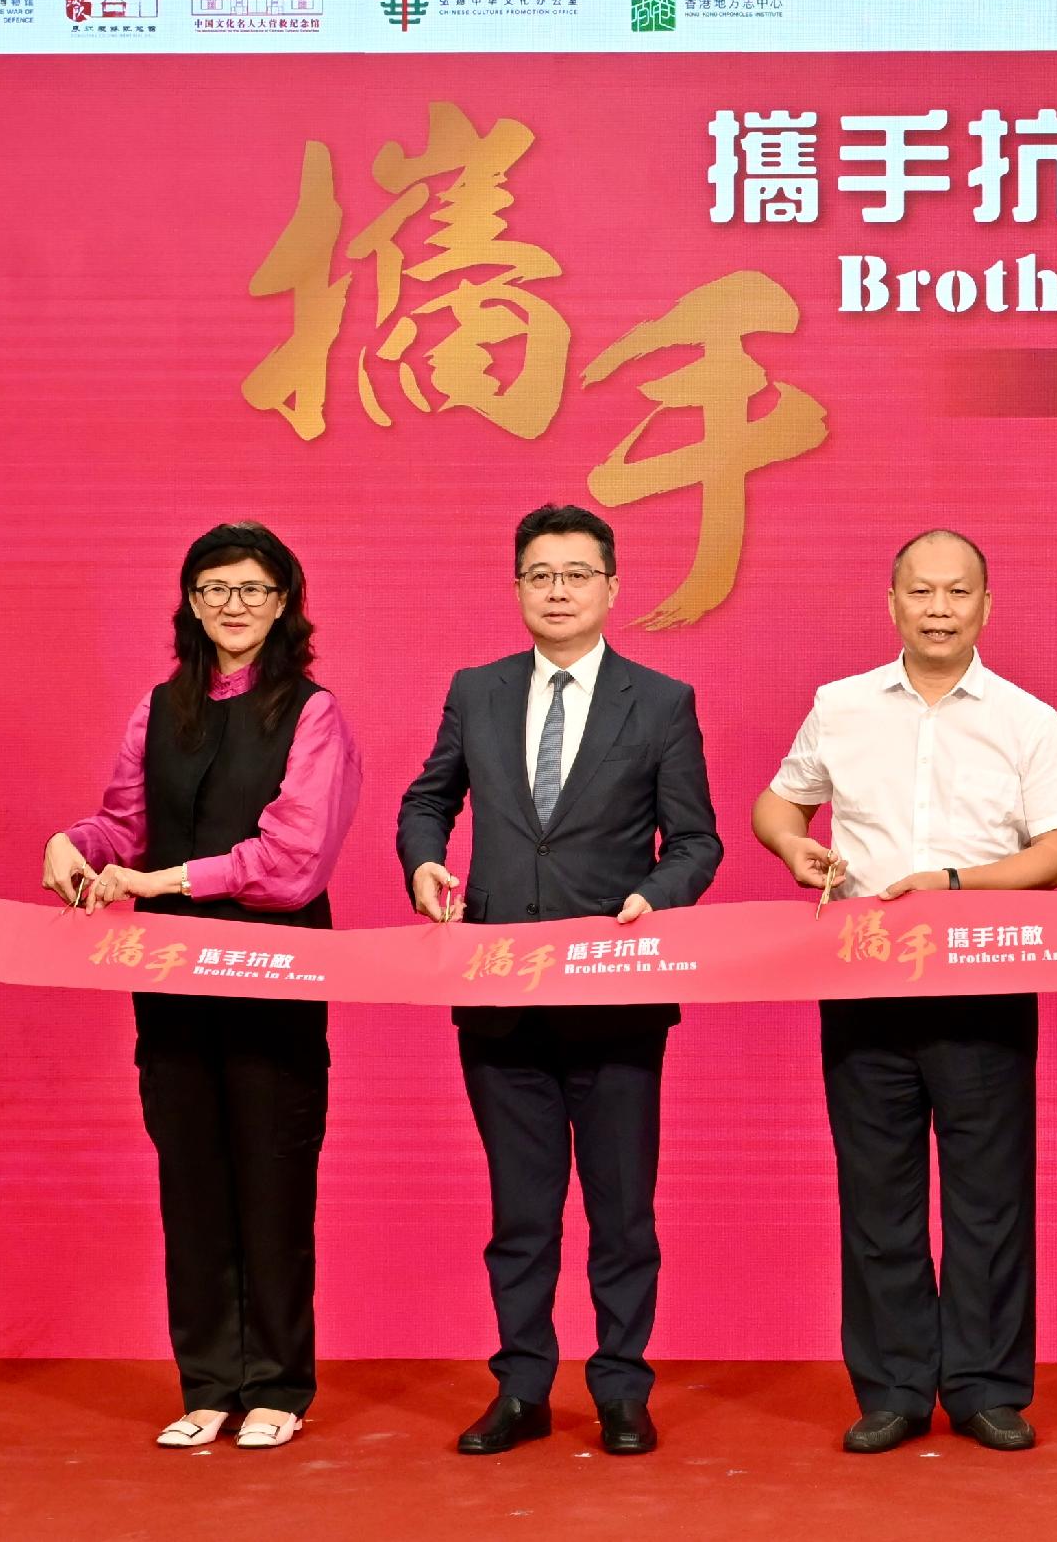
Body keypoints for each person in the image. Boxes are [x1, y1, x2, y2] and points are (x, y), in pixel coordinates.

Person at [753, 529, 1057, 1456]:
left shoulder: (1027, 717)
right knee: (878, 1195)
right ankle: (895, 1386)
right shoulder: (841, 704)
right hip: (863, 978)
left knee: (990, 1198)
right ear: (891, 601)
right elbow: (778, 803)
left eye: (958, 593)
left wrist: (951, 884)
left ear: (988, 605)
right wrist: (794, 845)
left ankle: (985, 1384)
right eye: (921, 592)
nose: (939, 609)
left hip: (983, 977)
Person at [397, 503, 721, 1457]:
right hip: (500, 995)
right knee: (521, 1211)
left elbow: (696, 838)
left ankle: (622, 1386)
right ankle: (523, 1386)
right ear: (518, 587)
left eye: (577, 574)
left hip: (615, 997)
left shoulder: (660, 701)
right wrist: (424, 862)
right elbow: (429, 799)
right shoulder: (478, 689)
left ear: (612, 588)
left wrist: (653, 897)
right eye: (540, 574)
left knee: (622, 1211)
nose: (558, 590)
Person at [42, 523, 363, 1451]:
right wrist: (80, 844)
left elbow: (293, 861)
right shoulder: (159, 708)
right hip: (172, 979)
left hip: (275, 974)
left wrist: (163, 883)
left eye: (253, 589)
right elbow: (124, 821)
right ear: (188, 600)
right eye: (213, 587)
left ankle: (278, 1385)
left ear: (283, 603)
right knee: (190, 1176)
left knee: (271, 1174)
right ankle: (209, 1383)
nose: (232, 603)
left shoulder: (311, 713)